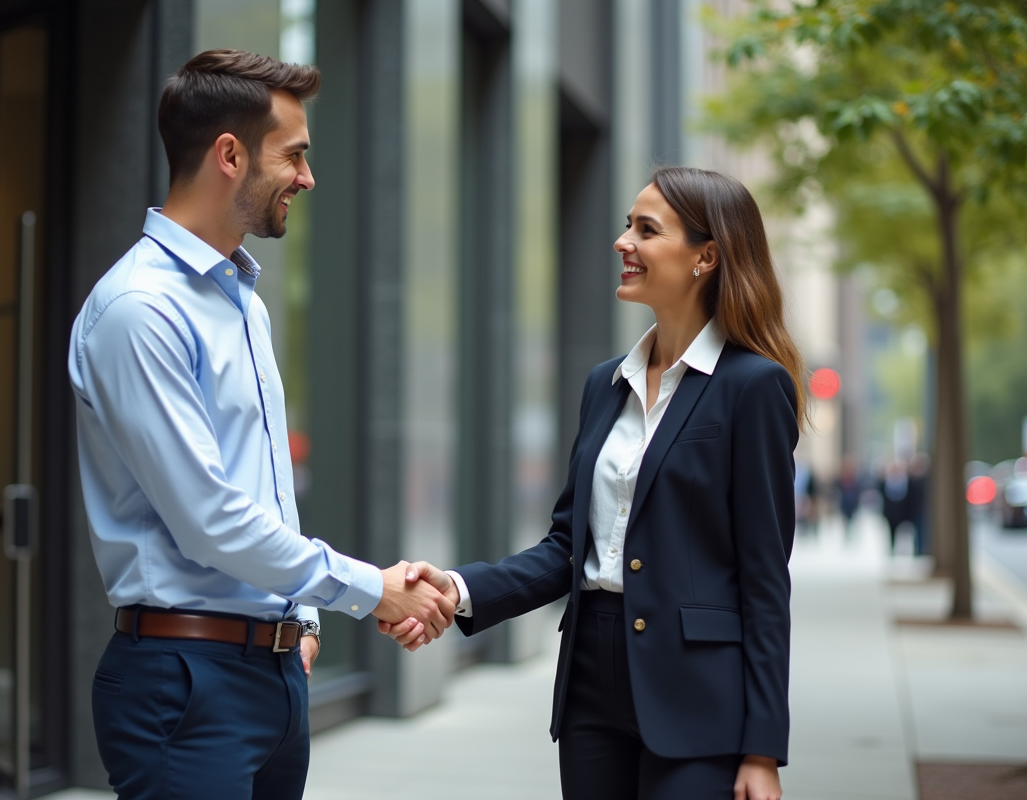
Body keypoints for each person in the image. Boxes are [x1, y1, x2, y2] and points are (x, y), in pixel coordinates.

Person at [68, 50, 454, 800]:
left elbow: (261, 484)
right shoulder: (140, 310)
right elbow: (209, 518)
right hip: (186, 686)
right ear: (230, 154)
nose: (307, 178)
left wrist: (302, 621)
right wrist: (370, 589)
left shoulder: (243, 299)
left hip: (272, 676)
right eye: (296, 155)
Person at [384, 167, 805, 800]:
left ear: (706, 257)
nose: (621, 242)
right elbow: (565, 549)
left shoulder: (753, 387)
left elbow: (766, 580)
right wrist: (459, 589)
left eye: (645, 229)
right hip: (591, 686)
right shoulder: (605, 384)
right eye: (625, 225)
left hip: (699, 700)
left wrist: (763, 747)